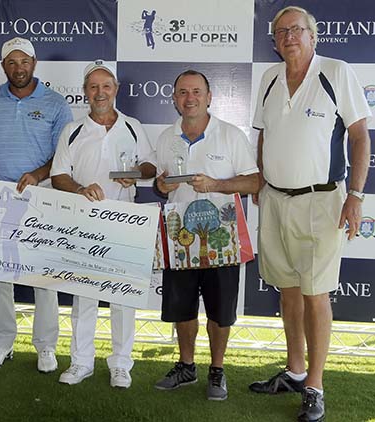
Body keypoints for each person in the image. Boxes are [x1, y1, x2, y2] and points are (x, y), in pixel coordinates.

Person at [249, 6, 371, 421]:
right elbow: (263, 135)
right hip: (276, 200)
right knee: (288, 289)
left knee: (316, 295)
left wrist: (356, 195)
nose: (288, 37)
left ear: (313, 35)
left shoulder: (336, 72)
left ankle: (315, 386)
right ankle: (296, 371)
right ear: (274, 40)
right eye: (280, 32)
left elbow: (359, 136)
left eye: (296, 30)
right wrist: (264, 182)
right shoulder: (268, 79)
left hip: (323, 200)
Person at [145, 70, 259, 400]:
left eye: (196, 91)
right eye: (182, 92)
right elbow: (159, 181)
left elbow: (253, 182)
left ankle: (217, 370)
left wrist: (217, 185)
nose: (189, 98)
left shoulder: (231, 135)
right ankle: (186, 366)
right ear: (175, 99)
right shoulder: (167, 137)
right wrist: (159, 184)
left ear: (209, 97)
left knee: (220, 310)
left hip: (221, 239)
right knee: (181, 307)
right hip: (181, 237)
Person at [51, 60, 154, 388]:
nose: (100, 92)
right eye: (93, 87)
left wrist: (134, 174)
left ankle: (121, 364)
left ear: (116, 90)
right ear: (84, 93)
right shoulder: (73, 130)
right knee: (84, 296)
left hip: (125, 222)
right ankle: (81, 362)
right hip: (84, 224)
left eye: (106, 86)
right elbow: (58, 176)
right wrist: (80, 189)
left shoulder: (134, 126)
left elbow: (150, 166)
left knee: (123, 298)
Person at [0, 37, 73, 373]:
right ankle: (2, 342)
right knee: (2, 275)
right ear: (3, 67)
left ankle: (46, 346)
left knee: (44, 275)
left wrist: (38, 173)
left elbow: (64, 156)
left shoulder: (56, 103)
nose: (19, 68)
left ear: (35, 62)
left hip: (42, 196)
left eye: (24, 61)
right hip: (0, 199)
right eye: (12, 63)